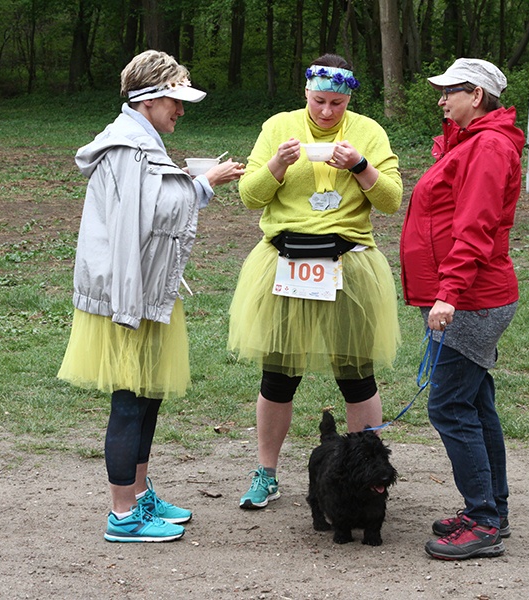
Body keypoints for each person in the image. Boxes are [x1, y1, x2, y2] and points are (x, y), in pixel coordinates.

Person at [57, 50, 245, 543]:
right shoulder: (128, 148)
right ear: (150, 100)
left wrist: (195, 183)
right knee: (129, 399)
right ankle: (123, 514)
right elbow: (156, 214)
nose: (181, 111)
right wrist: (206, 181)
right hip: (128, 294)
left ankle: (139, 494)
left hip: (144, 288)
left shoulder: (143, 142)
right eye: (175, 101)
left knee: (147, 396)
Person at [228, 54, 403, 510]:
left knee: (357, 376)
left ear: (350, 100)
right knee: (279, 375)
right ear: (305, 93)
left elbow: (391, 200)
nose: (327, 112)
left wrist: (362, 166)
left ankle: (366, 471)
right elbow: (249, 196)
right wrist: (276, 167)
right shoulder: (278, 126)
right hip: (284, 261)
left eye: (338, 104)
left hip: (350, 265)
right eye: (319, 101)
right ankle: (266, 473)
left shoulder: (367, 131)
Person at [399, 58, 525, 560]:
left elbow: (475, 227)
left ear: (476, 94)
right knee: (475, 403)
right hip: (471, 293)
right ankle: (493, 507)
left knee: (449, 405)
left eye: (449, 91)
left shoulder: (489, 146)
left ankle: (483, 521)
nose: (440, 99)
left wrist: (448, 293)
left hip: (472, 297)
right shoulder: (474, 143)